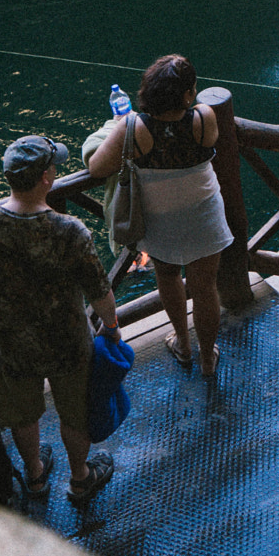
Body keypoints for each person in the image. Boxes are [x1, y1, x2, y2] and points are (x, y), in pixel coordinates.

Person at [0, 135, 123, 507]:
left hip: (10, 340)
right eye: (53, 168)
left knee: (22, 413)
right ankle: (80, 479)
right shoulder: (70, 230)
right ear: (46, 178)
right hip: (68, 340)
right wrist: (111, 327)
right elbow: (99, 289)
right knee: (75, 414)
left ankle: (35, 476)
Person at [86, 55, 233, 383]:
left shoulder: (134, 127)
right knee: (205, 286)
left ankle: (183, 345)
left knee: (167, 277)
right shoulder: (205, 117)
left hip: (160, 218)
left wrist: (114, 126)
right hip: (204, 211)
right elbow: (210, 143)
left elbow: (96, 167)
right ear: (186, 94)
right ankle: (208, 357)